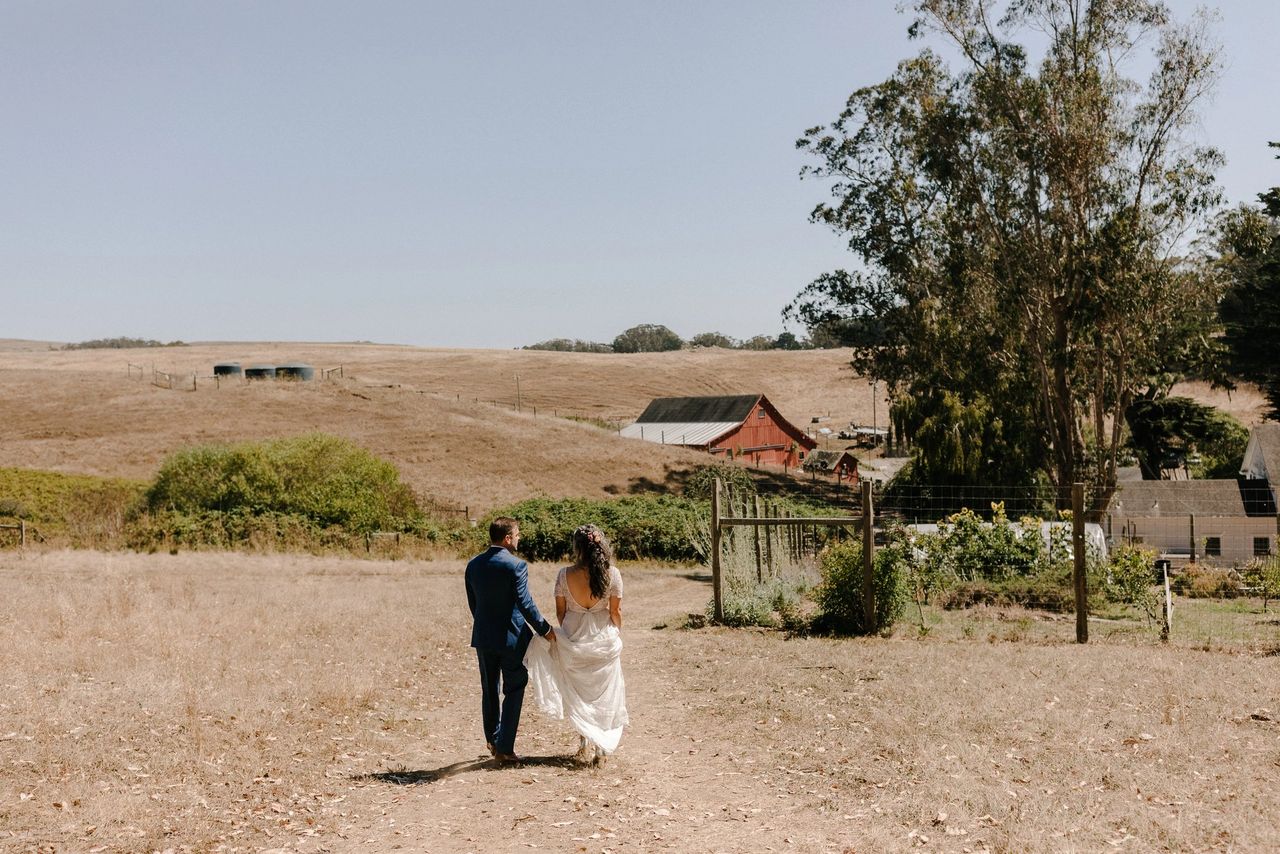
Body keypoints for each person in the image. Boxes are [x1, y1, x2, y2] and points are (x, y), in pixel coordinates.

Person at [525, 523, 628, 764]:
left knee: (579, 693)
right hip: (603, 638)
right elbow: (616, 611)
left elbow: (560, 613)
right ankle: (601, 750)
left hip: (573, 638)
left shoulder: (563, 574)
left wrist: (572, 629)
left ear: (577, 548)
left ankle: (583, 741)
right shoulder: (613, 574)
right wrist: (615, 630)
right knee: (604, 693)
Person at [465, 517, 556, 763]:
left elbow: (474, 604)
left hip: (483, 637)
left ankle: (494, 741)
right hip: (511, 638)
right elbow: (525, 603)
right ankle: (505, 748)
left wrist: (486, 625)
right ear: (507, 538)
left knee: (489, 689)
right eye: (517, 534)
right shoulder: (516, 566)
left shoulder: (473, 565)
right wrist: (545, 629)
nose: (519, 538)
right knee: (515, 687)